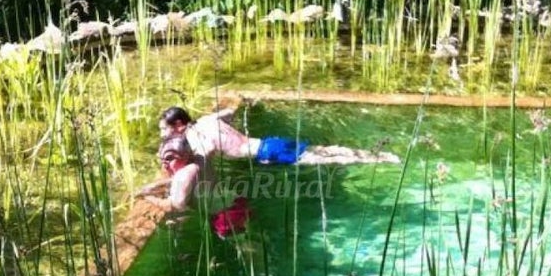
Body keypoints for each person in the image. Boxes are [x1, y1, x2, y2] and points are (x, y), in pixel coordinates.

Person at [159, 106, 399, 166]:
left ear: (179, 125)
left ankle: (379, 160)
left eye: (166, 128)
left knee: (325, 159)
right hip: (268, 141)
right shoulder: (206, 119)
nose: (165, 133)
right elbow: (230, 112)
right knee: (325, 149)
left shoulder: (195, 135)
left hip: (266, 153)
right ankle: (379, 153)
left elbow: (207, 151)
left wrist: (191, 163)